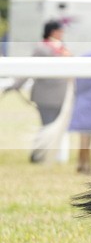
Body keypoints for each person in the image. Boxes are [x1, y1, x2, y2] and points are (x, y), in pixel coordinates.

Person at [6, 20, 72, 162]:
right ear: (53, 31)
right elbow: (31, 68)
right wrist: (16, 85)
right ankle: (40, 155)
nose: (62, 34)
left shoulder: (61, 48)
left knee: (55, 127)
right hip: (46, 95)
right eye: (60, 31)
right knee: (47, 126)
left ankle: (49, 155)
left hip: (61, 94)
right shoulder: (42, 49)